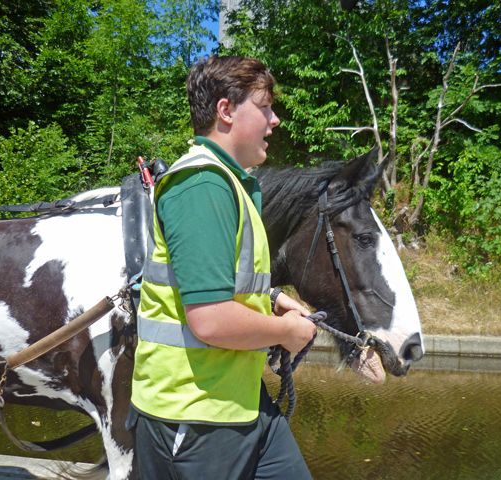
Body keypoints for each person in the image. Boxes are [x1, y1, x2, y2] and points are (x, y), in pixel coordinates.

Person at [127, 54, 316, 480]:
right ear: (226, 111)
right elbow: (210, 319)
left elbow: (217, 281)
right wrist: (287, 333)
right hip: (193, 417)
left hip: (238, 402)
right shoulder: (202, 185)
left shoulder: (227, 182)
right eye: (265, 107)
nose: (275, 120)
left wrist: (273, 298)